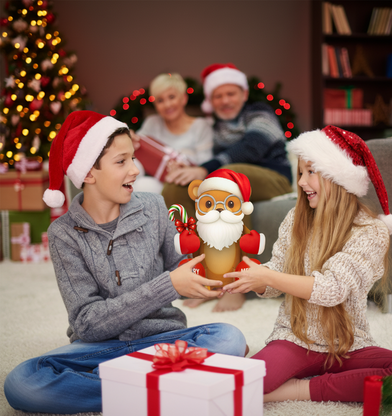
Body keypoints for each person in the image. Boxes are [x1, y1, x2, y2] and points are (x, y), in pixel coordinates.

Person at [3, 111, 247, 414]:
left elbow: (180, 271)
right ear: (88, 174)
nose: (135, 169)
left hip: (163, 339)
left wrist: (214, 273)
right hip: (99, 348)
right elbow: (87, 324)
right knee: (22, 383)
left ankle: (124, 389)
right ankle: (161, 387)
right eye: (122, 161)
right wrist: (168, 286)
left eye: (133, 158)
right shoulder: (64, 234)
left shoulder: (154, 206)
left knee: (229, 339)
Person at [220, 125, 392, 404]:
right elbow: (275, 278)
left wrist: (269, 276)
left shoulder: (371, 231)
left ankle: (303, 389)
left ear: (339, 178)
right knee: (242, 385)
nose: (301, 182)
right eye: (300, 172)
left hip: (349, 345)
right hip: (295, 339)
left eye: (311, 172)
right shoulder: (295, 218)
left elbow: (332, 289)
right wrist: (253, 277)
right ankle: (322, 384)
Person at [163, 63, 293, 312]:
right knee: (177, 188)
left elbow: (252, 147)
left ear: (243, 94)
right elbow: (203, 158)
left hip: (273, 178)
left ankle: (239, 283)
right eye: (218, 96)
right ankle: (202, 278)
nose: (225, 100)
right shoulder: (212, 127)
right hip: (229, 178)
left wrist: (206, 168)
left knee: (229, 178)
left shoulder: (259, 113)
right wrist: (184, 168)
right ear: (210, 101)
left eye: (230, 94)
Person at [132, 73, 213, 194]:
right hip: (153, 179)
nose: (167, 105)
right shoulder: (152, 122)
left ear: (183, 98)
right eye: (160, 100)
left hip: (185, 184)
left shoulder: (201, 126)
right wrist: (129, 140)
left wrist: (185, 166)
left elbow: (205, 164)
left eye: (171, 97)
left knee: (145, 188)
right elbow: (136, 151)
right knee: (140, 181)